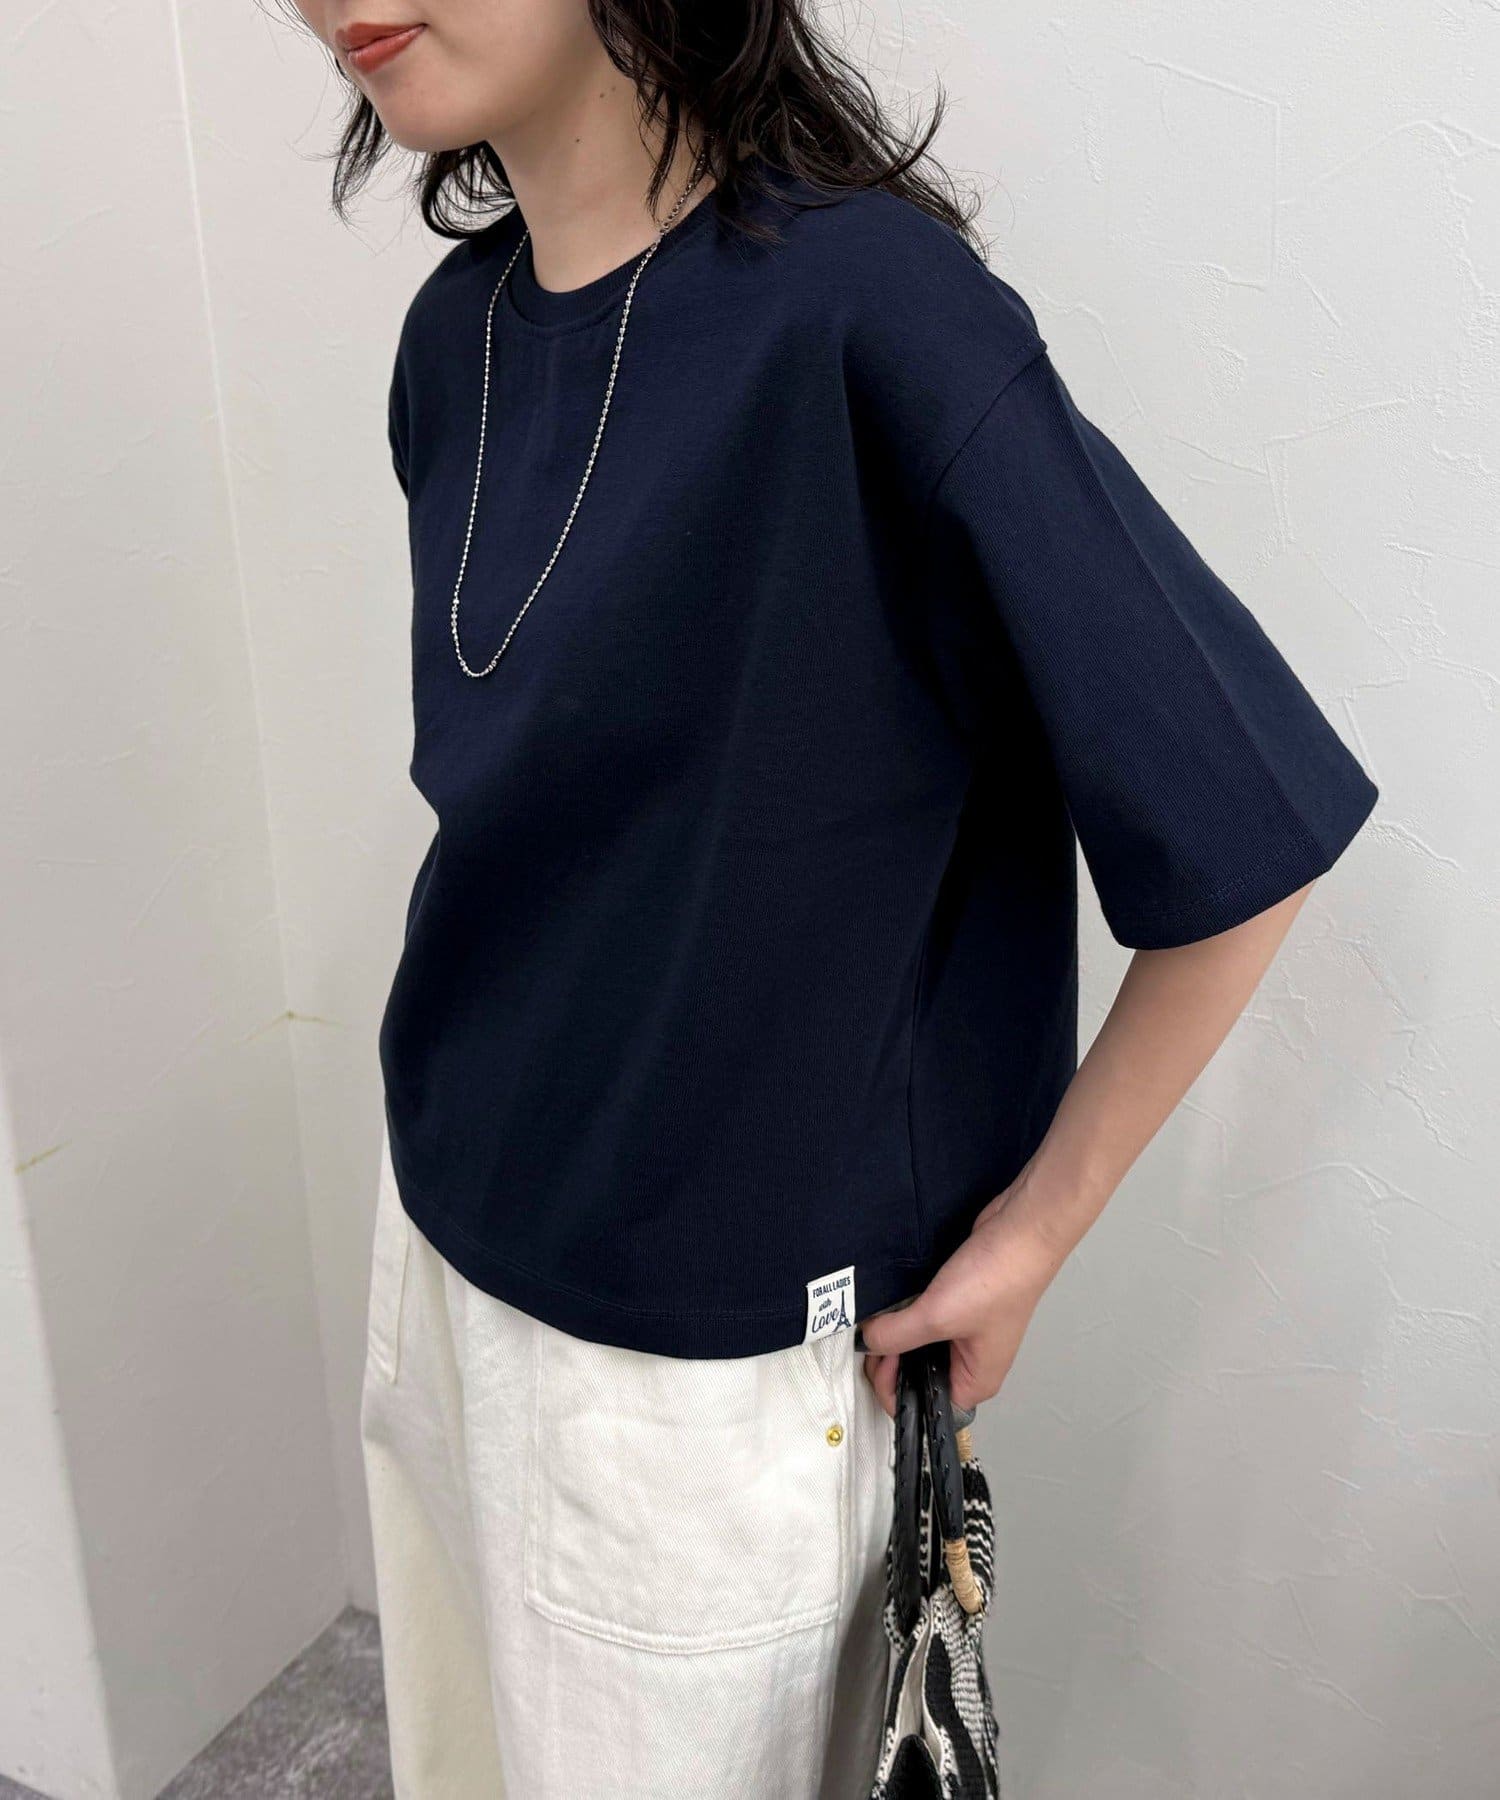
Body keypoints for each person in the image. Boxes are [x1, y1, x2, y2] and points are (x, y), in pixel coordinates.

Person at [292, 2, 1379, 1794]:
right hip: (442, 1258)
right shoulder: (453, 336)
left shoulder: (870, 309)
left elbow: (1236, 823)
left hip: (696, 1386)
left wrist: (1030, 1237)